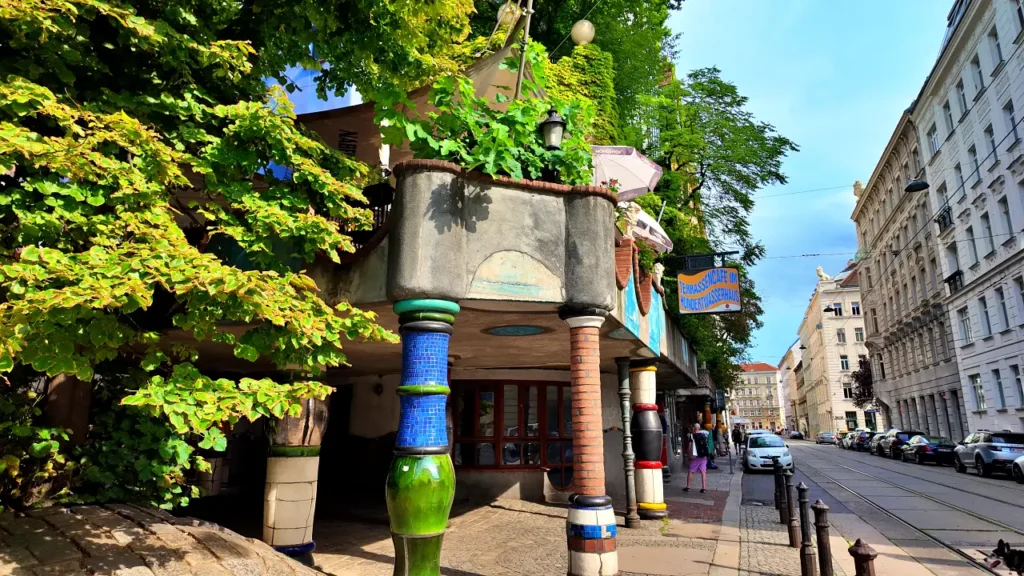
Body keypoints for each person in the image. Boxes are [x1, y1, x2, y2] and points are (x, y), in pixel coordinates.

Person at [684, 423, 709, 493]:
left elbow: (689, 447)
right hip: (703, 456)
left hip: (695, 456)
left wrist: (689, 456)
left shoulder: (692, 436)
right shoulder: (704, 435)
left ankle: (688, 487)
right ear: (699, 428)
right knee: (703, 472)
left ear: (694, 429)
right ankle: (704, 488)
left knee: (691, 471)